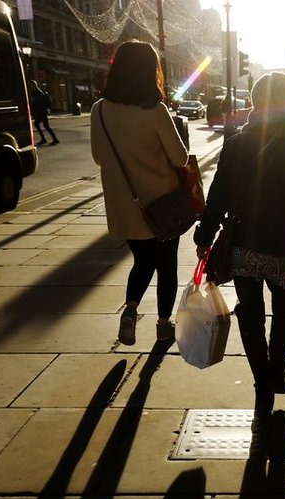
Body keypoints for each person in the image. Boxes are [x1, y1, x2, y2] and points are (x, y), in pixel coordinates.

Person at [195, 71, 285, 424]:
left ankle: (261, 379)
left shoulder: (237, 144)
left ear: (255, 103)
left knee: (251, 313)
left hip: (244, 246)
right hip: (283, 249)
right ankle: (275, 371)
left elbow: (217, 195)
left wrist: (204, 236)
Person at [90, 41, 189, 346]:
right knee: (167, 266)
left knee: (142, 261)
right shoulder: (155, 110)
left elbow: (98, 156)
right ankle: (162, 325)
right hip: (162, 204)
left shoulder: (100, 110)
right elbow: (180, 158)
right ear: (150, 71)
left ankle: (130, 311)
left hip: (127, 208)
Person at [30, 80, 59, 145]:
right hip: (43, 111)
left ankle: (47, 139)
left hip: (40, 112)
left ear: (33, 85)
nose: (30, 86)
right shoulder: (40, 91)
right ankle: (53, 139)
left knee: (38, 124)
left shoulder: (35, 92)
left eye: (30, 85)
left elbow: (32, 102)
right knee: (45, 126)